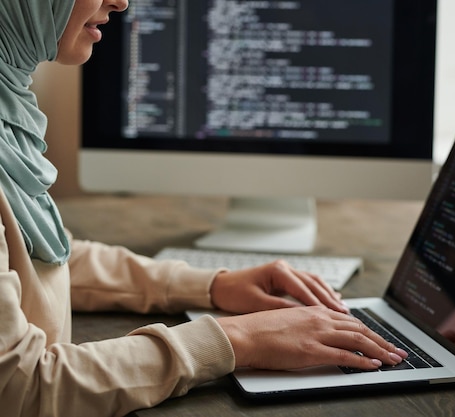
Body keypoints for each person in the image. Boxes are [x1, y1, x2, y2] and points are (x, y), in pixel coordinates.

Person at [0, 1, 408, 416]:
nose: (121, 1)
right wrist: (235, 340)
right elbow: (21, 385)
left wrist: (211, 285)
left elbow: (43, 259)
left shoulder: (8, 105)